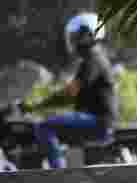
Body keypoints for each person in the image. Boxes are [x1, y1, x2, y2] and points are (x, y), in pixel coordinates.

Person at [22, 13, 119, 169]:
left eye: (76, 36)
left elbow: (69, 93)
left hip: (98, 121)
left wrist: (35, 106)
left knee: (44, 127)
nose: (73, 41)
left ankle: (59, 173)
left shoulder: (93, 59)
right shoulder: (94, 58)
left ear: (88, 35)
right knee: (52, 123)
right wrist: (39, 106)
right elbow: (72, 95)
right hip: (96, 119)